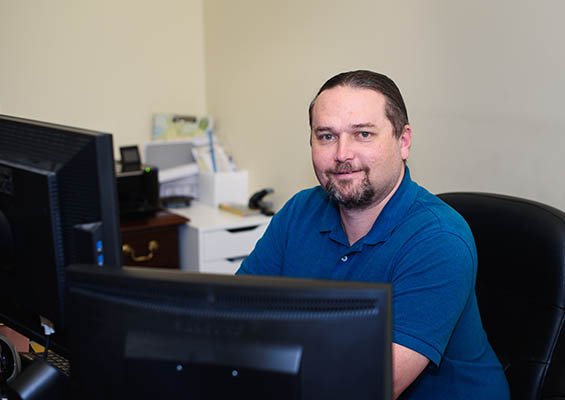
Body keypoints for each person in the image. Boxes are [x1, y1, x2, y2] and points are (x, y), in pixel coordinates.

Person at [237, 70, 510, 399]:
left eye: (363, 134)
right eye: (326, 136)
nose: (342, 154)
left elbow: (369, 385)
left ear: (403, 141)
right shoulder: (300, 212)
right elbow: (238, 319)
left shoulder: (440, 240)